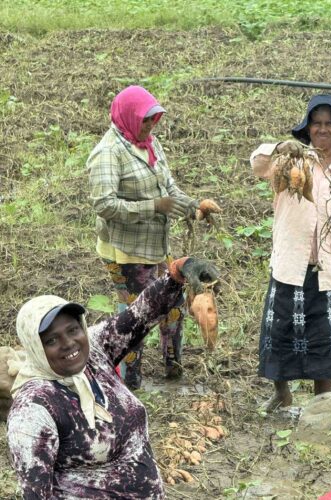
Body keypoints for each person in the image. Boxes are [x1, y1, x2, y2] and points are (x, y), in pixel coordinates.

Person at [7, 257, 219, 499]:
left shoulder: (94, 352)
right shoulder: (34, 409)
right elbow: (35, 495)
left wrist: (177, 273)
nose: (68, 344)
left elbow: (139, 315)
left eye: (73, 330)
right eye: (51, 340)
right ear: (35, 347)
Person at [87, 85, 219, 389]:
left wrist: (194, 208)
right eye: (145, 120)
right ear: (129, 117)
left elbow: (169, 188)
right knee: (137, 316)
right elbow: (104, 205)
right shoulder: (108, 153)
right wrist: (152, 207)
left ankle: (173, 368)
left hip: (156, 246)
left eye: (153, 120)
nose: (150, 126)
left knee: (173, 306)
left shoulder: (150, 144)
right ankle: (128, 381)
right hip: (125, 252)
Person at [250, 94, 331, 411]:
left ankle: (322, 403)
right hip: (292, 264)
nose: (322, 130)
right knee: (280, 333)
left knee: (328, 342)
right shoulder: (290, 163)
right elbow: (257, 164)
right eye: (316, 124)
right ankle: (282, 393)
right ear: (307, 129)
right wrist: (279, 148)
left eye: (329, 124)